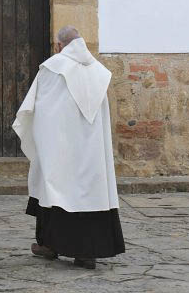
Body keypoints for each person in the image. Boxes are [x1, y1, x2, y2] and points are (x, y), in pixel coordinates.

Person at [13, 26, 125, 269]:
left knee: (55, 188)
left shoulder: (53, 68)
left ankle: (50, 245)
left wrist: (42, 141)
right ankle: (86, 253)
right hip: (91, 152)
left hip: (60, 149)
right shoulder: (99, 72)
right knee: (88, 194)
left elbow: (39, 109)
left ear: (59, 46)